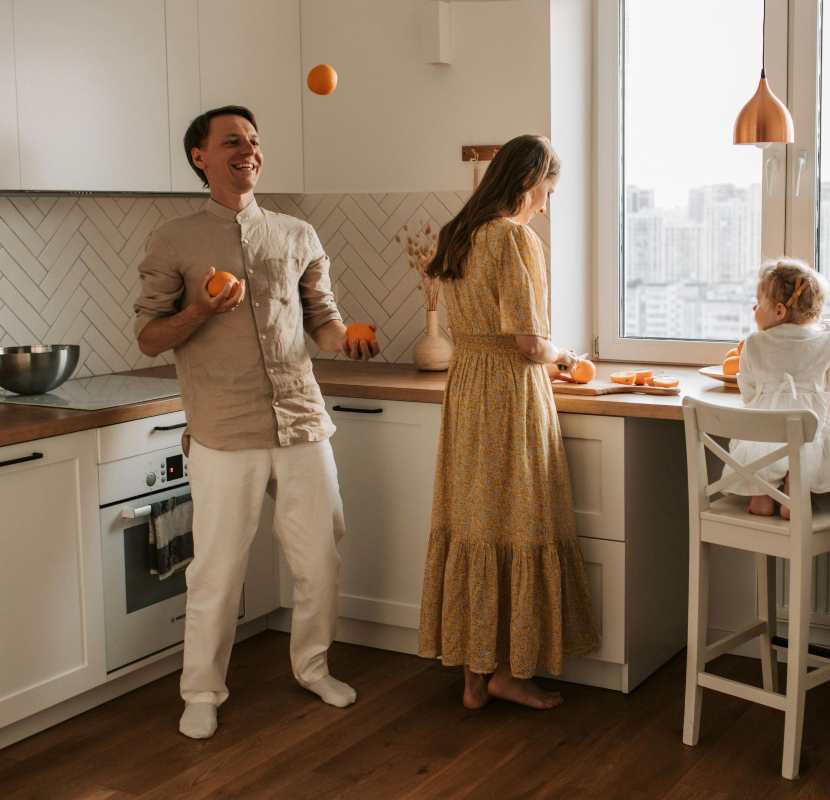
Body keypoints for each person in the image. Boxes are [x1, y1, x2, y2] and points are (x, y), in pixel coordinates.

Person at [134, 105, 379, 739]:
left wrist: (343, 339)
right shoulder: (174, 239)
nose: (248, 149)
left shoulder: (298, 233)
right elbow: (149, 337)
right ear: (200, 157)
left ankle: (313, 667)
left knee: (320, 557)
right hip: (223, 427)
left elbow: (321, 319)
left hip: (302, 420)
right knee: (216, 568)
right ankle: (201, 691)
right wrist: (201, 309)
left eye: (253, 140)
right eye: (232, 141)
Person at [417, 134, 598, 710]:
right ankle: (510, 673)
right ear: (530, 181)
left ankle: (475, 677)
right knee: (517, 522)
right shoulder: (516, 239)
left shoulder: (459, 235)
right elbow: (528, 342)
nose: (547, 202)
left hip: (466, 385)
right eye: (548, 188)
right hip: (508, 394)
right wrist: (566, 358)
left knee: (473, 521)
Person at [721, 259, 830, 518]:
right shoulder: (828, 342)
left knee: (761, 445)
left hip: (761, 437)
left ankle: (760, 497)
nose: (754, 308)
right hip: (808, 438)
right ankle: (794, 493)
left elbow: (749, 392)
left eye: (758, 302)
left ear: (779, 311)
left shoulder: (753, 343)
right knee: (803, 449)